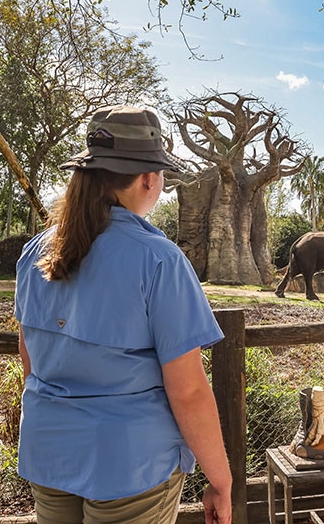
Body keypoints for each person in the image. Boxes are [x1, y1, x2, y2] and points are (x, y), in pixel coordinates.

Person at [15, 105, 233, 524]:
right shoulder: (159, 260)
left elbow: (30, 355)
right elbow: (188, 391)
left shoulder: (36, 253)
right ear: (149, 178)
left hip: (50, 449)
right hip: (131, 462)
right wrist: (221, 480)